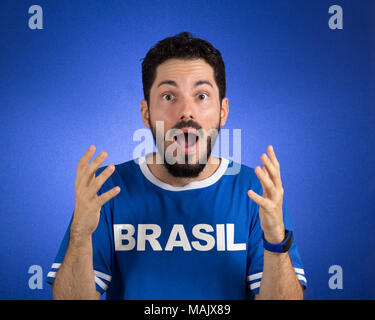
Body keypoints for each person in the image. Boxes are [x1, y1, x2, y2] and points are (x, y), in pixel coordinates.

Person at [46, 32, 307, 300]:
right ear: (146, 113)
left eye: (202, 95)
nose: (186, 112)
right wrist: (79, 235)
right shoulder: (107, 188)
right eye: (169, 96)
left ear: (223, 111)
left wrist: (276, 240)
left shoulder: (254, 190)